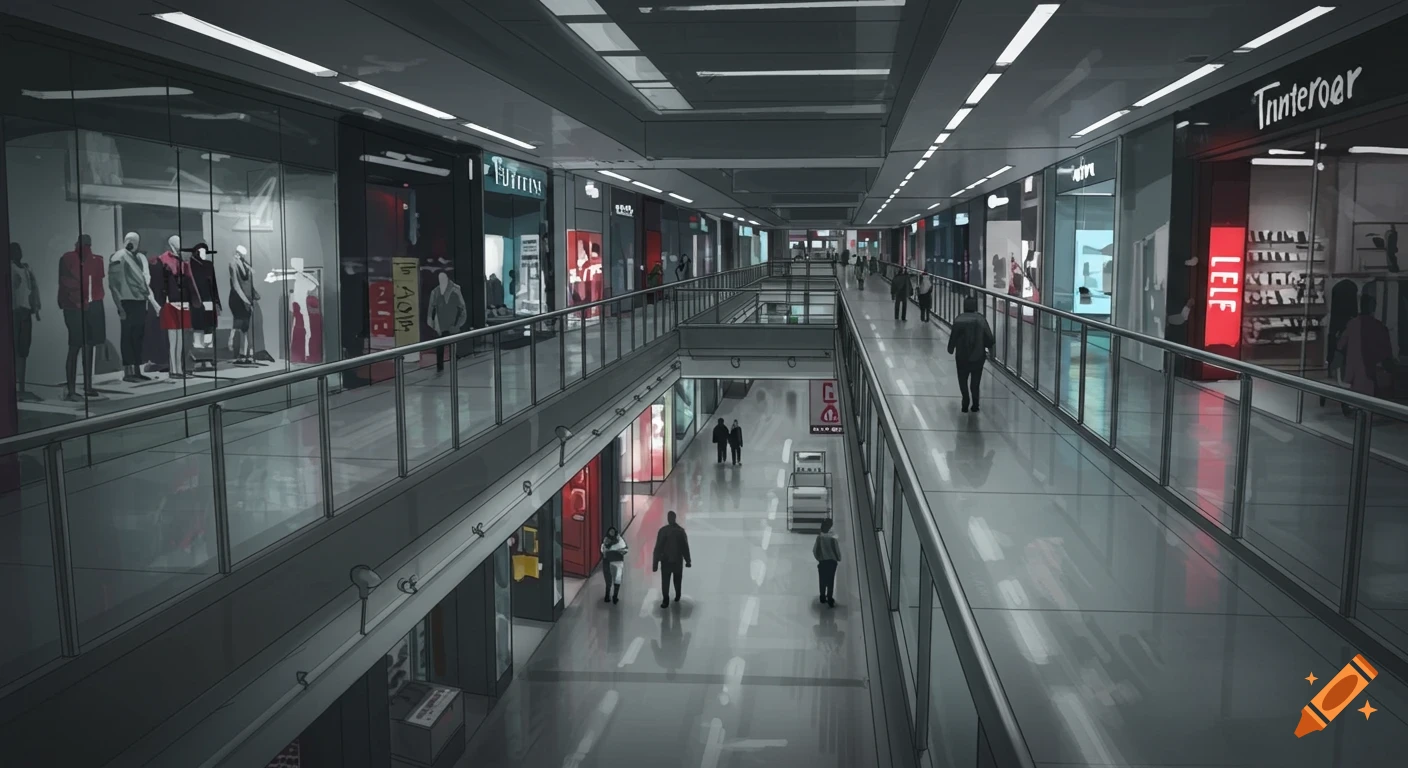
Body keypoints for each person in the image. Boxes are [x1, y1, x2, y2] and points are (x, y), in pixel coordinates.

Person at [1338, 293, 1394, 412]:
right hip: (1371, 367)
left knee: (1356, 394)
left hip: (1353, 369)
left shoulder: (1352, 324)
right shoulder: (1379, 326)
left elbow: (1341, 345)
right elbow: (1386, 350)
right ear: (1373, 308)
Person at [948, 296, 995, 413]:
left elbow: (953, 337)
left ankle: (965, 400)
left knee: (962, 379)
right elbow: (990, 338)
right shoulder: (981, 319)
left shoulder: (958, 319)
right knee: (975, 381)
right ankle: (975, 404)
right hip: (978, 356)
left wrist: (951, 348)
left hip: (961, 356)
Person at [653, 510, 691, 608]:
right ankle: (672, 596)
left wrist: (655, 563)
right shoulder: (679, 531)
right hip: (673, 561)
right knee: (673, 581)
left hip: (669, 561)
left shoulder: (664, 531)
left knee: (670, 581)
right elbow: (685, 547)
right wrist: (688, 560)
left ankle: (672, 597)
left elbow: (658, 548)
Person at [813, 518, 842, 607]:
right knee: (830, 580)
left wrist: (819, 558)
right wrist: (838, 558)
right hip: (832, 562)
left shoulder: (820, 537)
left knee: (822, 579)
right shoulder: (833, 537)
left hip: (822, 562)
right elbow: (836, 550)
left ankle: (822, 596)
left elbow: (815, 550)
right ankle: (829, 598)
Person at [600, 526, 628, 604]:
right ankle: (607, 595)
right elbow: (602, 550)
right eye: (610, 532)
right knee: (608, 580)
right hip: (608, 562)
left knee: (617, 579)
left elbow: (625, 549)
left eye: (613, 532)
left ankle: (615, 596)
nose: (611, 533)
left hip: (618, 562)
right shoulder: (606, 540)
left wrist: (617, 551)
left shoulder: (620, 540)